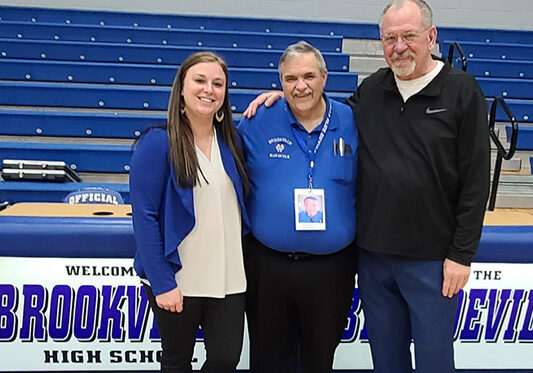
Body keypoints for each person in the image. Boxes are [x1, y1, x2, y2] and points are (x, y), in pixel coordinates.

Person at [243, 1, 490, 372]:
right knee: (386, 361)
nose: (399, 46)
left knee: (435, 361)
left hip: (433, 260)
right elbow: (311, 105)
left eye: (408, 36)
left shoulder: (461, 91)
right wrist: (280, 97)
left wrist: (461, 254)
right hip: (374, 258)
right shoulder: (372, 90)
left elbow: (475, 181)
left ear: (431, 37)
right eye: (390, 38)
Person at [237, 41, 358, 373]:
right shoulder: (257, 119)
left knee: (320, 359)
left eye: (308, 76)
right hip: (268, 266)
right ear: (280, 82)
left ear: (324, 76)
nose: (300, 86)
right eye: (291, 78)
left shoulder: (351, 120)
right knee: (267, 357)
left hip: (331, 269)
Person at [129, 51, 250, 373]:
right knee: (177, 361)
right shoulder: (157, 142)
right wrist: (161, 281)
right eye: (200, 80)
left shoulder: (233, 142)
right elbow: (144, 215)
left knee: (227, 359)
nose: (209, 89)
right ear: (181, 88)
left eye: (218, 83)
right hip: (179, 277)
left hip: (228, 278)